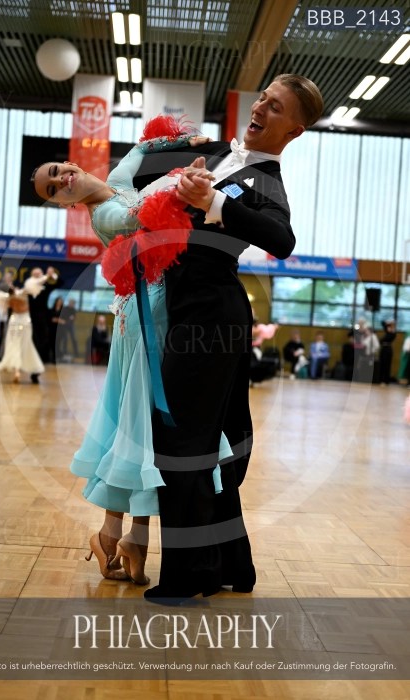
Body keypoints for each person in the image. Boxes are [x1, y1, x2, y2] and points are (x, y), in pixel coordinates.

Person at [133, 74, 324, 602]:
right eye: (263, 98)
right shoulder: (219, 154)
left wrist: (216, 201)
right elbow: (139, 172)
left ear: (295, 130)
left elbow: (282, 240)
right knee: (206, 441)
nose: (261, 107)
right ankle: (229, 563)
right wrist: (182, 155)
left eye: (276, 107)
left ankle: (188, 574)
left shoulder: (267, 183)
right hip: (189, 310)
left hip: (211, 319)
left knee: (181, 442)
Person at [33, 119, 214, 584]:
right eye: (53, 190)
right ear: (63, 203)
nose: (61, 181)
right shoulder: (104, 216)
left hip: (163, 308)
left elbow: (142, 146)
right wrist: (183, 183)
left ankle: (123, 537)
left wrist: (184, 142)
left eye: (57, 171)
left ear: (71, 164)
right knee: (140, 427)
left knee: (144, 430)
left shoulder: (116, 182)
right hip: (144, 316)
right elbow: (145, 217)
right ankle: (125, 538)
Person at [0, 278, 45, 383]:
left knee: (14, 345)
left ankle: (17, 371)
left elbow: (4, 306)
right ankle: (24, 369)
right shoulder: (22, 294)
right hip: (24, 322)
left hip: (14, 322)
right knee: (25, 345)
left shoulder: (7, 298)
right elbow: (33, 287)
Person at [28, 266, 62, 383]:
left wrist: (52, 275)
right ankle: (31, 368)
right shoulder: (29, 286)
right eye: (35, 274)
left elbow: (60, 282)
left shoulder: (45, 287)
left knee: (42, 344)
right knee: (32, 344)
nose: (37, 276)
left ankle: (36, 371)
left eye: (39, 274)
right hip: (30, 320)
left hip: (42, 321)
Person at [49, 296, 67, 363]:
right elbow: (50, 319)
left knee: (57, 344)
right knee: (52, 343)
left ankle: (56, 358)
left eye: (60, 302)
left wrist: (58, 320)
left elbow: (65, 321)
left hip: (60, 330)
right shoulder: (52, 310)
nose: (59, 303)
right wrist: (56, 320)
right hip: (52, 329)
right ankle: (53, 357)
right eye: (58, 301)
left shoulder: (64, 311)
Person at [379, 319, 396, 385]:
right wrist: (387, 322)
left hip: (388, 350)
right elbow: (382, 323)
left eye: (390, 326)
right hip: (383, 349)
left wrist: (391, 326)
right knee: (382, 364)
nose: (388, 328)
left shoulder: (393, 333)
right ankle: (380, 379)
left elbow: (384, 339)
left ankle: (385, 380)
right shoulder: (387, 331)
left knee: (387, 365)